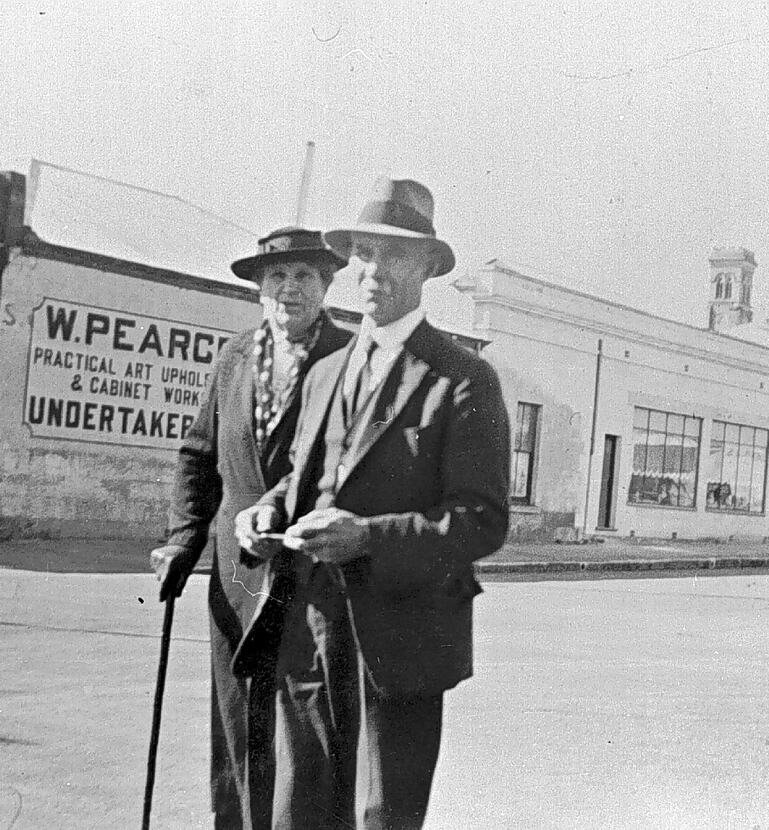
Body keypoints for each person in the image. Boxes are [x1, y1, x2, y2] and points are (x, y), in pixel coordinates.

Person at [235, 178, 510, 830]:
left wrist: (368, 537)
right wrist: (267, 510)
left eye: (394, 256)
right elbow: (306, 478)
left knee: (383, 815)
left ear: (428, 268)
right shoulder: (327, 370)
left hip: (403, 639)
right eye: (362, 253)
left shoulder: (463, 377)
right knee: (300, 811)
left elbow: (482, 519)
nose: (373, 270)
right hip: (308, 623)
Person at [150, 227, 352, 830]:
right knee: (239, 719)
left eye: (303, 277)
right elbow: (198, 453)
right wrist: (183, 540)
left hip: (312, 573)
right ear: (260, 288)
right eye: (277, 277)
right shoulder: (233, 359)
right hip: (237, 574)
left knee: (311, 725)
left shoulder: (347, 361)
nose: (289, 289)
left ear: (326, 285)